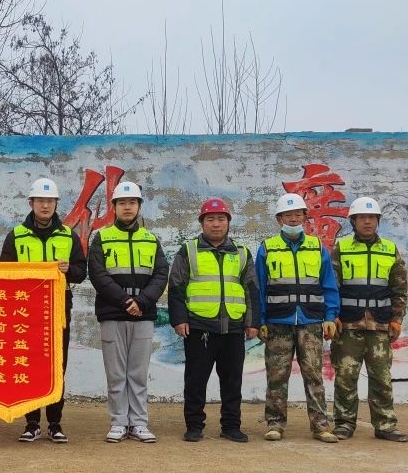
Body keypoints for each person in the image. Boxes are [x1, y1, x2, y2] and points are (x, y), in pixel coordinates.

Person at [0, 177, 87, 443]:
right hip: (24, 313)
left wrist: (68, 270)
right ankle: (32, 423)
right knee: (28, 365)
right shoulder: (16, 235)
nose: (45, 205)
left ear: (56, 204)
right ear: (31, 203)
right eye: (40, 200)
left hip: (58, 311)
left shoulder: (68, 235)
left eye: (50, 201)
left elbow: (81, 272)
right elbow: (5, 273)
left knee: (56, 366)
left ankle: (55, 423)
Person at [168, 198, 258, 443]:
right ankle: (194, 426)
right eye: (210, 219)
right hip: (199, 327)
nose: (216, 224)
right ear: (202, 223)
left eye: (221, 219)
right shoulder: (188, 251)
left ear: (228, 222)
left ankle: (231, 426)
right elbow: (176, 287)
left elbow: (251, 289)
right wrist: (179, 320)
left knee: (232, 381)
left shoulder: (241, 253)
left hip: (234, 327)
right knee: (195, 380)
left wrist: (252, 322)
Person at [87, 181, 168, 444]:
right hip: (112, 313)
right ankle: (119, 422)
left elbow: (161, 274)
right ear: (114, 207)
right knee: (116, 373)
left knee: (138, 372)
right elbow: (98, 274)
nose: (127, 207)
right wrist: (124, 301)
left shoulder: (151, 239)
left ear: (139, 206)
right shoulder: (102, 238)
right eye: (122, 203)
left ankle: (139, 423)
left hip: (142, 314)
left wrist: (141, 302)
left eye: (132, 202)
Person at [256, 193, 340, 443]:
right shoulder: (267, 248)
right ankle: (275, 424)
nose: (293, 219)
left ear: (305, 217)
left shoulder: (317, 247)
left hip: (311, 322)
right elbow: (259, 288)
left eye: (297, 214)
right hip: (277, 323)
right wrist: (260, 320)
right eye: (287, 215)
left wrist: (330, 316)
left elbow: (329, 285)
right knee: (277, 376)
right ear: (279, 219)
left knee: (314, 375)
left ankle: (321, 426)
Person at [329, 197, 408, 442]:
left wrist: (397, 319)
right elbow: (331, 285)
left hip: (380, 325)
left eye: (371, 217)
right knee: (345, 377)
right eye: (362, 217)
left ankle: (385, 425)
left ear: (378, 221)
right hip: (347, 325)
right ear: (353, 221)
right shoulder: (341, 248)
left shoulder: (390, 249)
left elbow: (399, 288)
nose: (367, 221)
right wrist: (332, 316)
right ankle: (344, 424)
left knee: (381, 378)